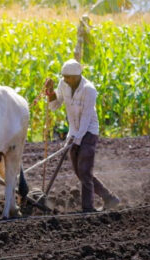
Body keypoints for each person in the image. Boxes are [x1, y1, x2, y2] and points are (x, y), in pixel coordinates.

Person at [44, 59, 120, 212]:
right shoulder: (63, 84)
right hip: (74, 131)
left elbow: (86, 118)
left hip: (89, 132)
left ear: (77, 76)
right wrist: (51, 92)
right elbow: (54, 106)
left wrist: (77, 141)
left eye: (69, 77)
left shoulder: (89, 89)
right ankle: (109, 197)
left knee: (84, 170)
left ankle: (88, 208)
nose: (65, 80)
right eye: (64, 77)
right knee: (80, 172)